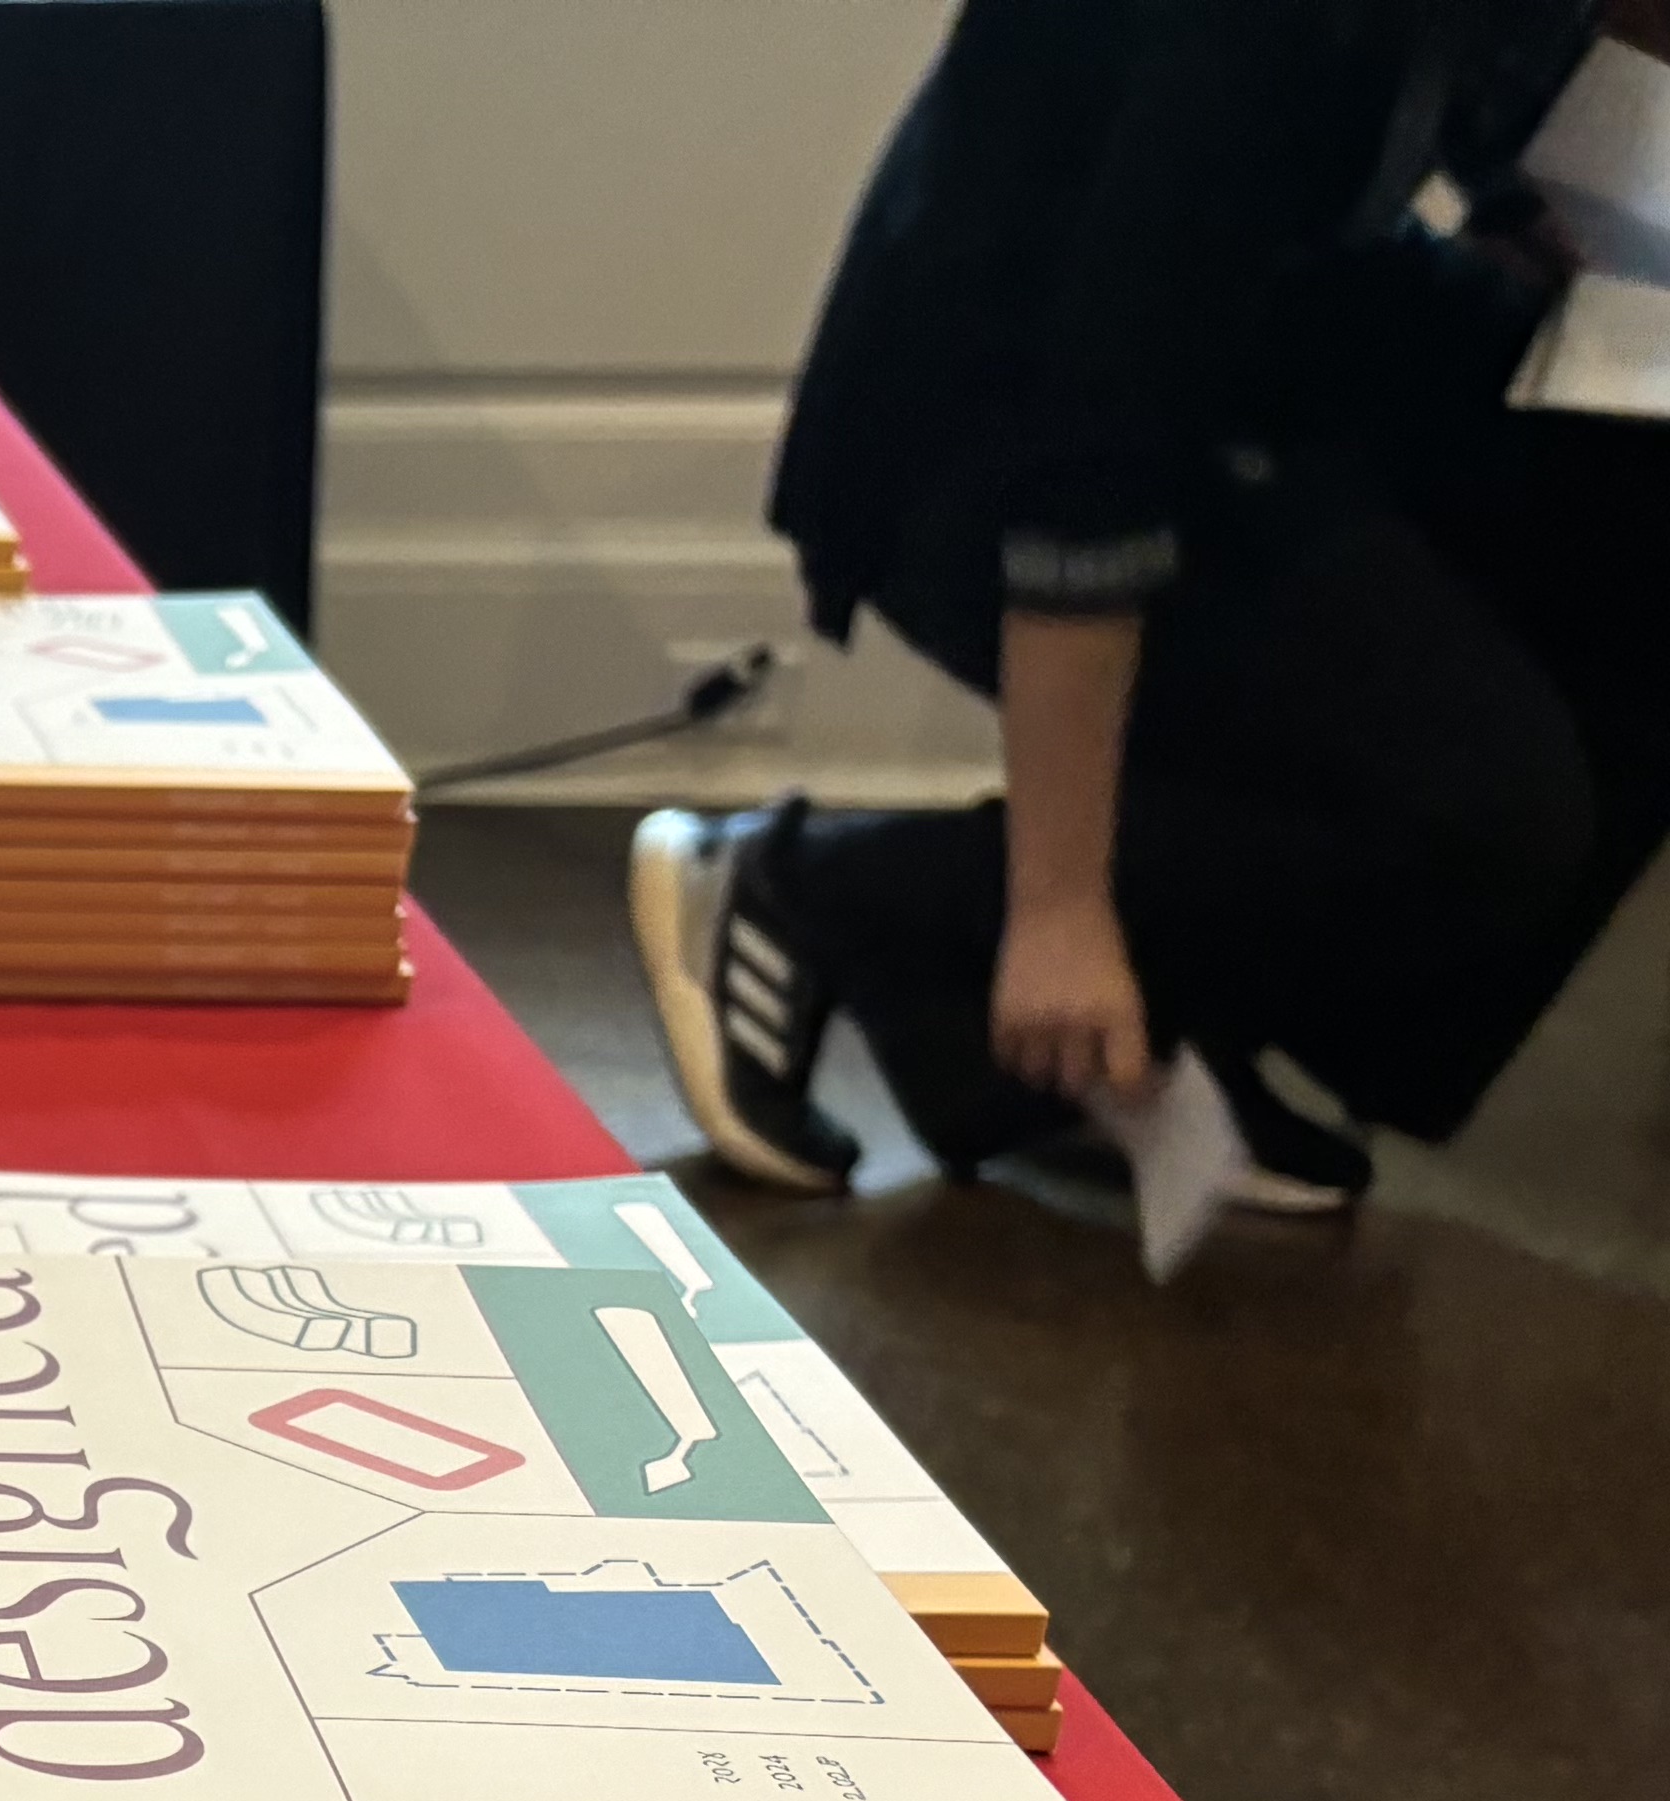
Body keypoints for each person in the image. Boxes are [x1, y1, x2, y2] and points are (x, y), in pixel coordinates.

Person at [631, 0, 1663, 1211]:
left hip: (1255, 354)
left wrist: (1536, 218)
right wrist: (1058, 909)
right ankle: (826, 892)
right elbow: (1095, 446)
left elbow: (1477, 119)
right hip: (983, 444)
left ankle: (1164, 1003)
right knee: (1486, 807)